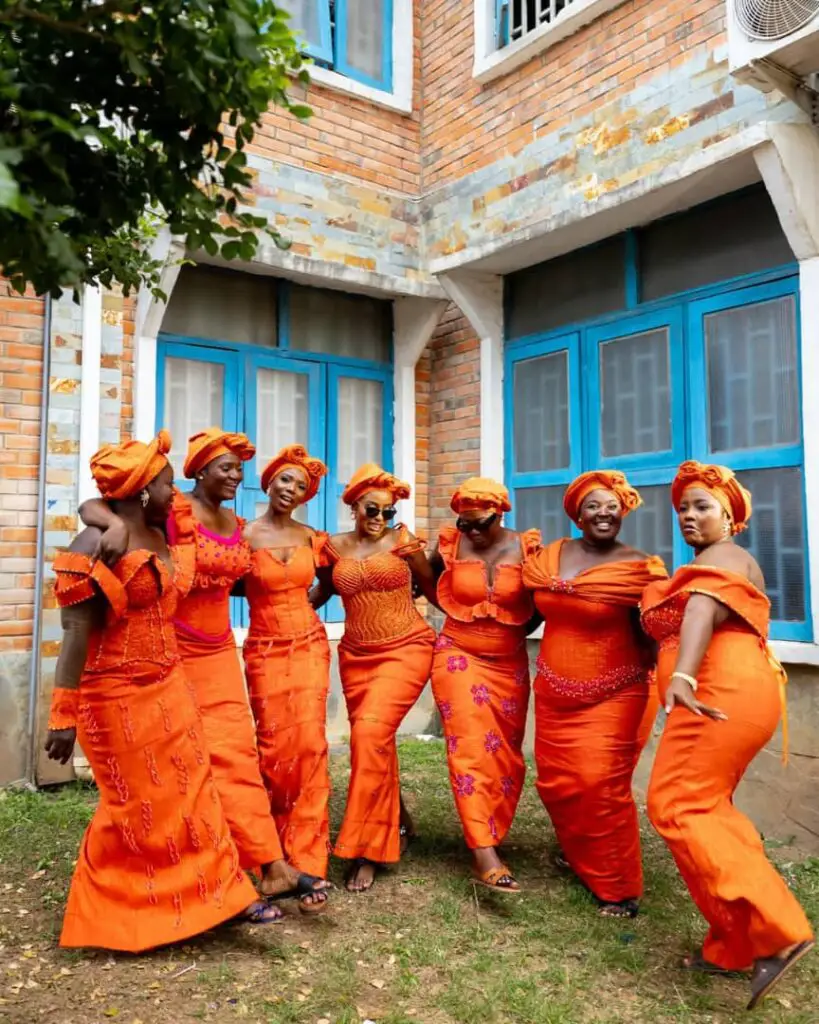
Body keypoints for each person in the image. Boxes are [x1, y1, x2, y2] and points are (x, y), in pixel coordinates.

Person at [77, 429, 329, 913]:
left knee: (237, 755)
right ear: (199, 471)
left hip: (219, 651)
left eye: (239, 468)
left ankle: (272, 866)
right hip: (176, 646)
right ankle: (210, 871)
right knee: (194, 764)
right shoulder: (173, 510)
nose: (237, 476)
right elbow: (98, 503)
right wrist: (108, 524)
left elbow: (240, 581)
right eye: (226, 468)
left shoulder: (235, 523)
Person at [43, 431, 273, 951]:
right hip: (114, 697)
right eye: (169, 485)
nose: (177, 494)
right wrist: (63, 716)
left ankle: (221, 897)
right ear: (143, 490)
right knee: (136, 806)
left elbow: (95, 502)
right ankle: (119, 912)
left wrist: (108, 515)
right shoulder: (94, 544)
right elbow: (76, 633)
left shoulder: (160, 531)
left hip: (171, 684)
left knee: (194, 794)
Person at [642, 460, 814, 1009]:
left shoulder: (721, 558)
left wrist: (685, 676)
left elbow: (699, 611)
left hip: (718, 689)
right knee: (707, 805)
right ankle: (735, 945)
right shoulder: (725, 558)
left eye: (702, 506)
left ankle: (778, 929)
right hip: (740, 689)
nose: (689, 516)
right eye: (683, 509)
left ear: (731, 517)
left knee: (677, 802)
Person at [521, 470, 667, 918]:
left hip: (615, 691)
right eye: (593, 506)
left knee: (599, 786)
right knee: (557, 785)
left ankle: (619, 888)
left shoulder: (640, 569)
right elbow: (522, 611)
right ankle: (580, 855)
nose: (604, 514)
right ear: (577, 514)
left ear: (622, 514)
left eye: (612, 507)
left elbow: (661, 630)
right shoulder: (549, 558)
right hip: (553, 688)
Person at [313, 464, 437, 893]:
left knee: (368, 735)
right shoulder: (332, 548)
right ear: (353, 506)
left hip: (406, 648)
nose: (379, 518)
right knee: (375, 741)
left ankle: (368, 849)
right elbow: (318, 593)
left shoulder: (403, 542)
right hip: (356, 656)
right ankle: (397, 819)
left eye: (387, 511)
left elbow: (438, 591)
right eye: (371, 508)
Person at [428, 478, 540, 892]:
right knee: (469, 746)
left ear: (501, 514)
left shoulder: (527, 548)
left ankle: (491, 829)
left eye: (481, 523)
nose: (472, 532)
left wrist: (521, 627)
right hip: (458, 653)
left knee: (505, 753)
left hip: (509, 660)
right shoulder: (450, 545)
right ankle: (483, 851)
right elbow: (427, 578)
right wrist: (452, 613)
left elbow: (543, 600)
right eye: (465, 524)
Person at [242, 444, 333, 885]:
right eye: (285, 479)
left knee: (310, 744)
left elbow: (328, 583)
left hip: (310, 645)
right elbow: (227, 585)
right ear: (269, 481)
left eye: (300, 485)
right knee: (274, 748)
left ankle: (309, 858)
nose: (291, 489)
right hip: (263, 647)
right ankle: (270, 852)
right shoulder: (243, 536)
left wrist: (303, 605)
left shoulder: (312, 537)